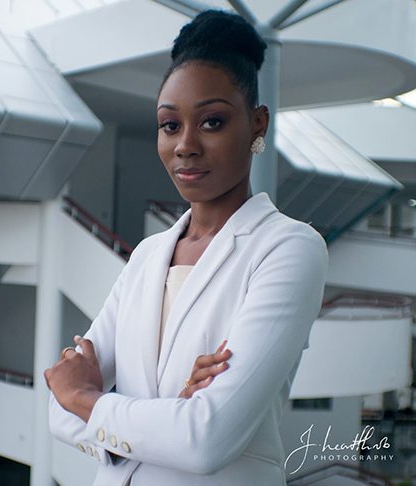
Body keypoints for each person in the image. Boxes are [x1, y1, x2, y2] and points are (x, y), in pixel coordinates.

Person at [44, 9, 328, 486]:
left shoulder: (288, 249)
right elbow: (58, 408)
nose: (185, 145)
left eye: (212, 122)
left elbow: (205, 438)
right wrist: (166, 417)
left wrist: (88, 400)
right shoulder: (146, 257)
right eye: (170, 125)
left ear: (258, 124)